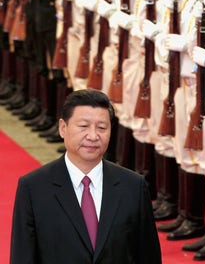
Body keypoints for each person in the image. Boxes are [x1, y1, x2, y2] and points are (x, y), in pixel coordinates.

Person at [10, 89, 161, 263]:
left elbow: (148, 256)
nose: (93, 136)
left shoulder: (133, 186)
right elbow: (22, 256)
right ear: (62, 128)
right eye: (83, 126)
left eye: (102, 128)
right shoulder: (33, 187)